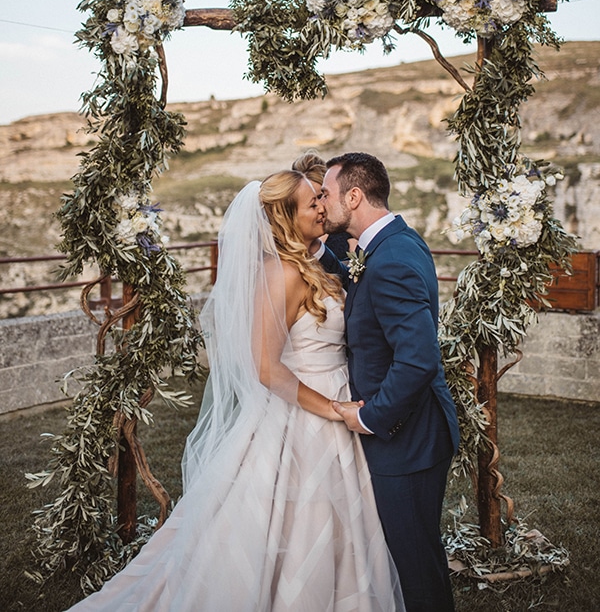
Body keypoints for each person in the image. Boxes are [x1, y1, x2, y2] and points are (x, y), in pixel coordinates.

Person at [66, 170, 404, 612]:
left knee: (339, 522)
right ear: (285, 220)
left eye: (321, 197)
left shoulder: (315, 262)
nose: (322, 206)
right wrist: (332, 407)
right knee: (295, 520)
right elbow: (267, 367)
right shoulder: (282, 274)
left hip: (333, 399)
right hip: (306, 409)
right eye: (311, 203)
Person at [318, 152, 460, 612]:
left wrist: (371, 417)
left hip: (407, 439)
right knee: (416, 555)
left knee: (414, 563)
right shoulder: (390, 243)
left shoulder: (391, 258)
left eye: (327, 193)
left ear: (354, 196)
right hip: (411, 435)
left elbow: (417, 360)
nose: (322, 203)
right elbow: (368, 293)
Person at [291, 150, 356, 260]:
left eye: (321, 196)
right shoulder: (289, 238)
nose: (319, 206)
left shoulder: (346, 230)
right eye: (310, 202)